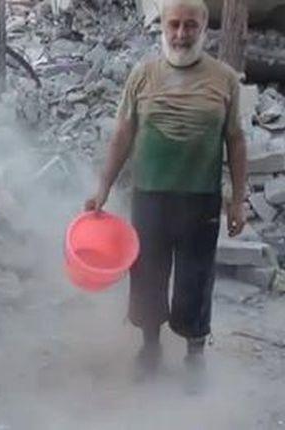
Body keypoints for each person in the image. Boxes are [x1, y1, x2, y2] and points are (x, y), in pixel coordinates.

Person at [85, 0, 247, 383]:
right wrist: (103, 187)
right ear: (162, 25)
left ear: (204, 27)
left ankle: (194, 353)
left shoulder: (224, 79)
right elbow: (122, 134)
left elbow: (236, 141)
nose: (180, 34)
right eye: (173, 24)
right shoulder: (142, 75)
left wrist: (238, 199)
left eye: (190, 25)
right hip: (150, 196)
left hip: (200, 199)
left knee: (195, 277)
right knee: (147, 275)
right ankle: (150, 346)